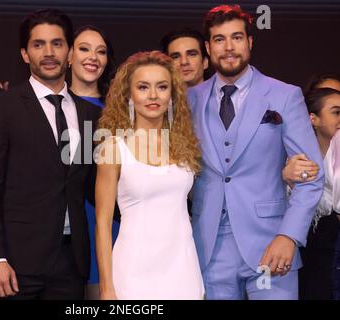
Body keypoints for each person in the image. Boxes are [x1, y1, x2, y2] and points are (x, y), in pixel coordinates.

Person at [188, 4, 324, 299]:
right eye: (220, 39)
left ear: (250, 42)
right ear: (208, 47)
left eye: (237, 37)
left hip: (271, 245)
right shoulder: (188, 100)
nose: (229, 47)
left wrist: (288, 235)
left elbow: (311, 176)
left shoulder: (284, 95)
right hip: (208, 249)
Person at [0, 9, 101, 300]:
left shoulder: (88, 114)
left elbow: (90, 186)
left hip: (70, 263)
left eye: (57, 43)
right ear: (25, 54)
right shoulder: (1, 108)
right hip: (14, 265)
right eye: (38, 44)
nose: (49, 52)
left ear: (69, 52)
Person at [96, 51, 205, 300]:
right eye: (143, 87)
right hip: (133, 271)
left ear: (172, 94)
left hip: (183, 269)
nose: (153, 95)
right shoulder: (113, 147)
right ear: (129, 95)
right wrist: (106, 288)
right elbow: (102, 225)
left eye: (162, 87)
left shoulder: (185, 145)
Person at [67, 25, 119, 298]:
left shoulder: (120, 110)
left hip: (115, 222)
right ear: (68, 56)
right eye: (84, 49)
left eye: (101, 52)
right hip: (72, 226)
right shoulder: (49, 107)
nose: (93, 57)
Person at [283, 88, 340, 299]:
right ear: (313, 119)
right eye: (336, 112)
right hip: (305, 250)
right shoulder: (293, 157)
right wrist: (287, 179)